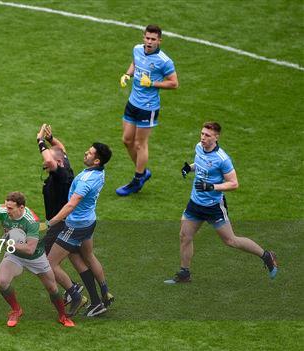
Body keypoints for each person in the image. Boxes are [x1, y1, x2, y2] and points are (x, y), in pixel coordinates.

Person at [164, 122, 278, 284]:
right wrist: (189, 168)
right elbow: (202, 165)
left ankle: (266, 256)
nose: (203, 138)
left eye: (207, 135)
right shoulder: (198, 147)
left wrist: (211, 186)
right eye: (202, 134)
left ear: (216, 137)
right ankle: (184, 273)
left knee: (231, 240)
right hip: (195, 203)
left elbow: (233, 183)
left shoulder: (222, 159)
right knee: (185, 236)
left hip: (213, 206)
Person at [36, 124, 114, 313]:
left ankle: (75, 292)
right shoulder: (94, 171)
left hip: (71, 224)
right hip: (88, 222)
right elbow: (61, 150)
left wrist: (40, 141)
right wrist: (51, 138)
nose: (86, 153)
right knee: (83, 257)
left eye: (90, 153)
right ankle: (102, 295)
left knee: (48, 262)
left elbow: (71, 204)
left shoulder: (63, 174)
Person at [0, 191, 74, 327]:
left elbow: (30, 249)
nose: (7, 211)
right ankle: (16, 310)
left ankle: (62, 316)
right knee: (2, 282)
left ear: (21, 208)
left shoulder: (31, 222)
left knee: (52, 288)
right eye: (6, 207)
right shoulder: (4, 211)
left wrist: (9, 243)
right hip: (14, 255)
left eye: (10, 208)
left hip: (36, 257)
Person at [116, 24, 179, 196]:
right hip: (132, 103)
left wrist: (152, 83)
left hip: (148, 107)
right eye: (147, 38)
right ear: (143, 37)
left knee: (139, 144)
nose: (149, 42)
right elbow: (135, 63)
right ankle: (143, 173)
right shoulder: (137, 49)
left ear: (159, 41)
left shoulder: (164, 61)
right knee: (127, 140)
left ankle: (137, 180)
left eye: (153, 39)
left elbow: (174, 83)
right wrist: (127, 74)